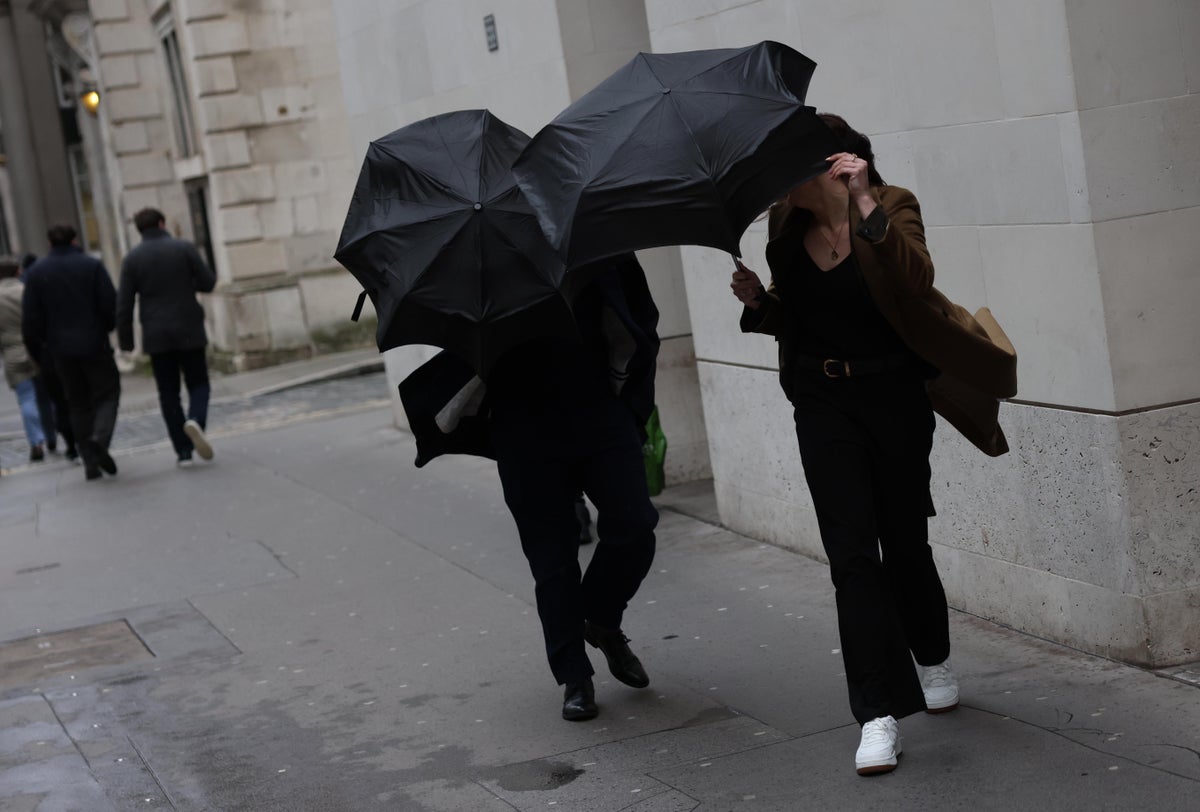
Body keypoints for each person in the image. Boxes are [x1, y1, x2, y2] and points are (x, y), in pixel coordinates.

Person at [730, 114, 1015, 776]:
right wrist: (755, 305)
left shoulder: (890, 208)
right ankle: (877, 713)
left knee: (905, 541)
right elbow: (788, 317)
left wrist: (863, 205)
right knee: (853, 557)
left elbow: (914, 281)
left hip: (894, 399)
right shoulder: (783, 228)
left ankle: (933, 653)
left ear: (833, 164)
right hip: (823, 403)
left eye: (784, 170)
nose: (774, 186)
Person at [400, 253, 661, 722]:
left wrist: (633, 406)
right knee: (551, 559)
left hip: (599, 409)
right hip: (524, 423)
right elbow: (454, 336)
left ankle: (600, 620)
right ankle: (574, 677)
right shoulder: (476, 256)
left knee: (636, 525)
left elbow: (641, 315)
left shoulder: (595, 234)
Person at [117, 208, 217, 466]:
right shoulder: (184, 248)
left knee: (168, 392)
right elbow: (207, 283)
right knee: (199, 382)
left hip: (156, 333)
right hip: (189, 328)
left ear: (139, 229)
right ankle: (196, 419)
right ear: (162, 223)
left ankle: (183, 451)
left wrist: (126, 343)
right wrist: (185, 283)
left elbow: (124, 304)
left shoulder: (132, 260)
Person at [22, 224, 121, 481]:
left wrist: (40, 350)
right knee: (107, 394)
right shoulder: (91, 266)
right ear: (75, 240)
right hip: (94, 343)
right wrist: (105, 328)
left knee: (76, 403)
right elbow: (110, 305)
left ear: (50, 243)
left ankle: (89, 461)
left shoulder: (37, 274)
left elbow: (31, 320)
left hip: (59, 349)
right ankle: (99, 439)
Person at [22, 253, 77, 462]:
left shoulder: (31, 287)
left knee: (31, 397)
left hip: (29, 353)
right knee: (63, 397)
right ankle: (71, 439)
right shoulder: (34, 288)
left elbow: (30, 327)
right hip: (54, 348)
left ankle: (44, 438)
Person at [0, 256, 46, 462]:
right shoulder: (27, 291)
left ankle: (36, 441)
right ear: (18, 271)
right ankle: (52, 435)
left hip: (12, 352)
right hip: (36, 348)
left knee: (26, 398)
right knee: (46, 396)